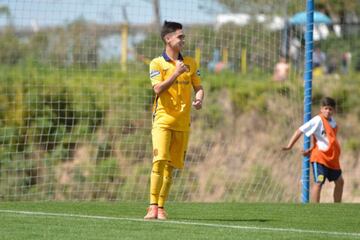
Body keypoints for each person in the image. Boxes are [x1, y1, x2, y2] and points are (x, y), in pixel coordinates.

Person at [144, 21, 204, 220]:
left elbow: (199, 87)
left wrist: (199, 98)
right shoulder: (156, 63)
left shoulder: (191, 63)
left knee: (172, 165)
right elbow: (158, 89)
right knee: (159, 160)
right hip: (162, 121)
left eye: (183, 36)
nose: (183, 40)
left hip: (183, 123)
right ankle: (152, 206)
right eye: (180, 36)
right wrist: (176, 73)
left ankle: (161, 207)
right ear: (167, 39)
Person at [282, 97, 344, 203]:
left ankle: (337, 207)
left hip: (332, 159)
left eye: (330, 109)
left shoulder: (333, 122)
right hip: (320, 158)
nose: (328, 111)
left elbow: (324, 141)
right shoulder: (317, 120)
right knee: (319, 181)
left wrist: (311, 149)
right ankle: (315, 209)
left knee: (340, 182)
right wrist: (289, 146)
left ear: (334, 110)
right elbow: (299, 130)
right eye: (326, 108)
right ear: (321, 109)